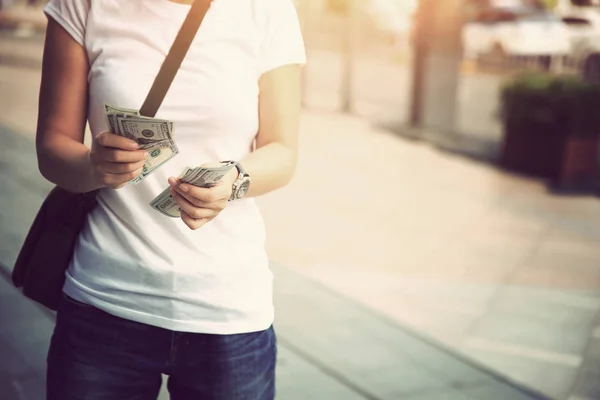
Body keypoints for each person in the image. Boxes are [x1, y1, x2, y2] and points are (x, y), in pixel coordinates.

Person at [36, 0, 305, 399]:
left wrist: (234, 181)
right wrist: (95, 167)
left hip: (228, 307)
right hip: (105, 304)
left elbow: (282, 149)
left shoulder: (267, 9)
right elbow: (52, 146)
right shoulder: (84, 4)